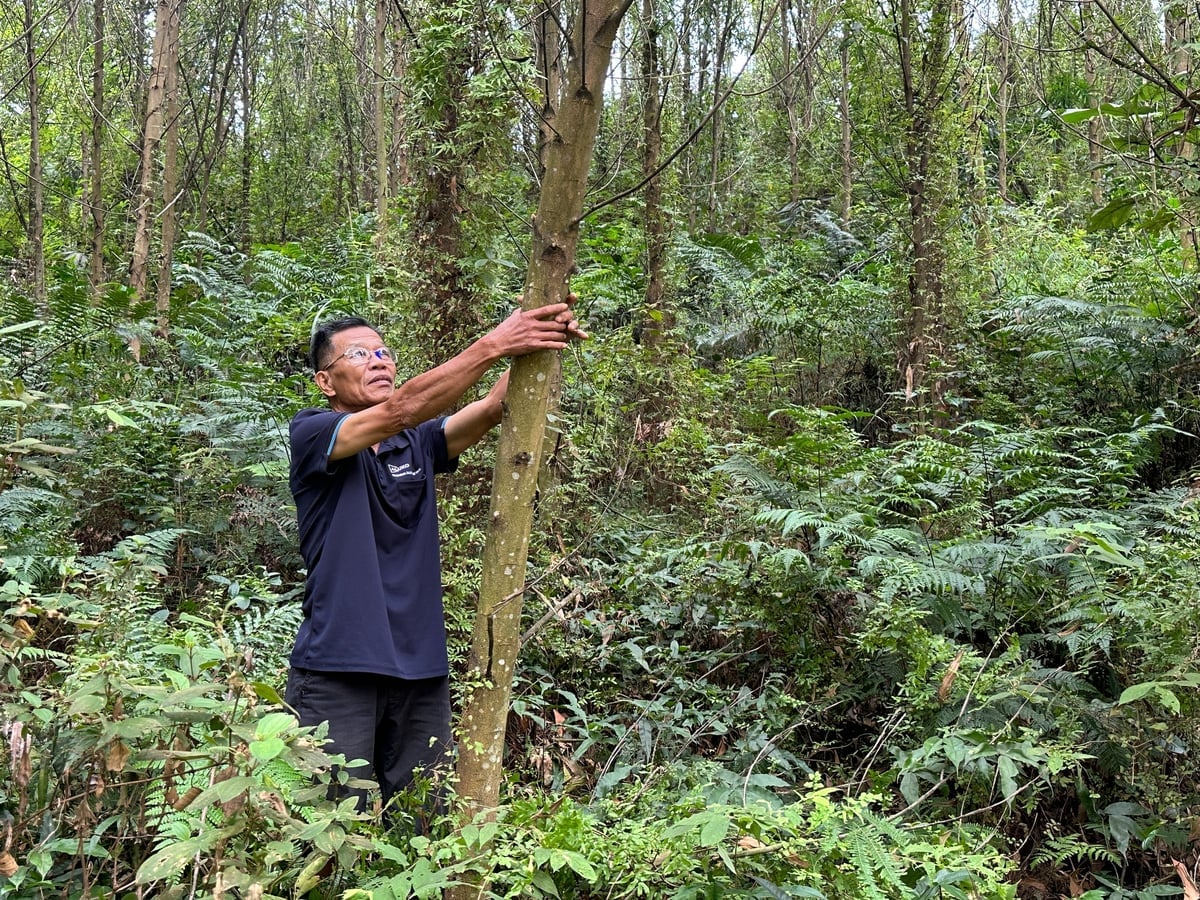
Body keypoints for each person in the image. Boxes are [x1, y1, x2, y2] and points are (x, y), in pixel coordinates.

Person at [286, 299, 586, 815]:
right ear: (325, 382)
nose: (379, 361)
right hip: (339, 666)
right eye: (359, 354)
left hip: (420, 667)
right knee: (332, 829)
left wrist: (542, 334)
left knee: (426, 820)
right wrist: (495, 342)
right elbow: (401, 408)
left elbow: (495, 407)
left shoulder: (417, 444)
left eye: (383, 351)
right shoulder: (314, 433)